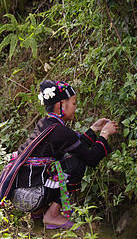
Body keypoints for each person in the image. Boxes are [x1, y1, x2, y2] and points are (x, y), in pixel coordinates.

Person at [10, 79, 118, 229]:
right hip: (32, 197)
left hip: (19, 197)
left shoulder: (45, 124)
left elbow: (76, 146)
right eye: (73, 103)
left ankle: (38, 212)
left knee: (65, 160)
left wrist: (93, 130)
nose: (75, 108)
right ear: (60, 104)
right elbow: (91, 159)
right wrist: (104, 134)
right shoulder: (60, 131)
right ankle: (52, 215)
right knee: (77, 163)